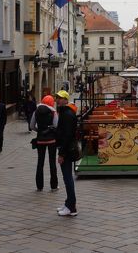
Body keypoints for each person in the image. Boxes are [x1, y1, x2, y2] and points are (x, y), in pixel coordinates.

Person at [55, 89, 79, 217]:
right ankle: (68, 203)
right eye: (56, 97)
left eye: (59, 98)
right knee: (66, 178)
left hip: (67, 150)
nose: (57, 99)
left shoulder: (68, 114)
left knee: (68, 178)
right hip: (66, 149)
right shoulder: (65, 112)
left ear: (65, 100)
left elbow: (67, 136)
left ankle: (72, 207)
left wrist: (62, 154)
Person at [30, 95, 58, 192]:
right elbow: (56, 125)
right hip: (51, 141)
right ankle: (54, 186)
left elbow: (31, 125)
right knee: (52, 162)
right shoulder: (53, 112)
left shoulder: (36, 111)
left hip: (40, 140)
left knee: (40, 162)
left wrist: (39, 131)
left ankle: (39, 186)